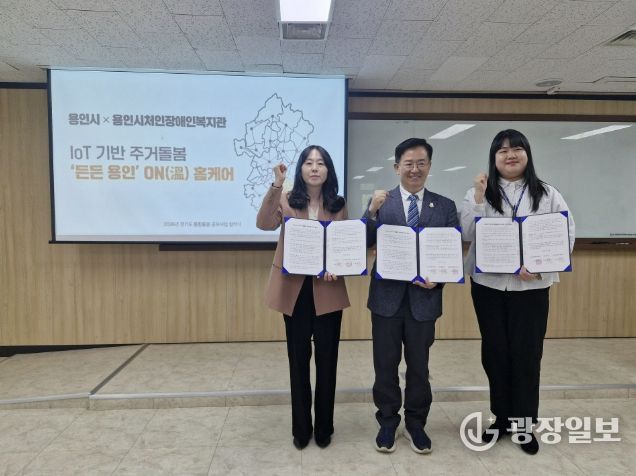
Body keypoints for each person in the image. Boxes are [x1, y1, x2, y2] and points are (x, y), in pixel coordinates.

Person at [460, 129, 575, 455]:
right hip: (489, 286)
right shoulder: (478, 193)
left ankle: (524, 424)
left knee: (526, 354)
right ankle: (501, 418)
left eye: (516, 149)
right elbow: (467, 232)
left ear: (527, 154)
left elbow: (565, 235)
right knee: (495, 353)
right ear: (494, 158)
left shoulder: (548, 193)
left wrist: (540, 268)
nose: (510, 155)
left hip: (531, 288)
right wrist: (479, 197)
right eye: (503, 151)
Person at [363, 137, 459, 454]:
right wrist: (370, 213)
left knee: (419, 367)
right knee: (385, 366)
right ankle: (388, 423)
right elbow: (362, 241)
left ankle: (416, 424)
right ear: (396, 167)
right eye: (408, 163)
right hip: (386, 300)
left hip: (424, 302)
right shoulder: (381, 202)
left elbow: (450, 254)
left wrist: (439, 281)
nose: (414, 169)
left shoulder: (445, 206)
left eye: (421, 163)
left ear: (429, 166)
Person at [256, 145, 349, 450]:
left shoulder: (338, 204)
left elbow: (343, 246)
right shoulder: (286, 198)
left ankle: (324, 427)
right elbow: (264, 223)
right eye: (309, 162)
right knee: (298, 361)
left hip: (327, 290)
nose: (314, 168)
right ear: (301, 169)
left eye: (320, 163)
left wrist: (338, 266)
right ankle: (301, 428)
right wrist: (277, 184)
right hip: (294, 290)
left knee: (327, 360)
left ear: (328, 170)